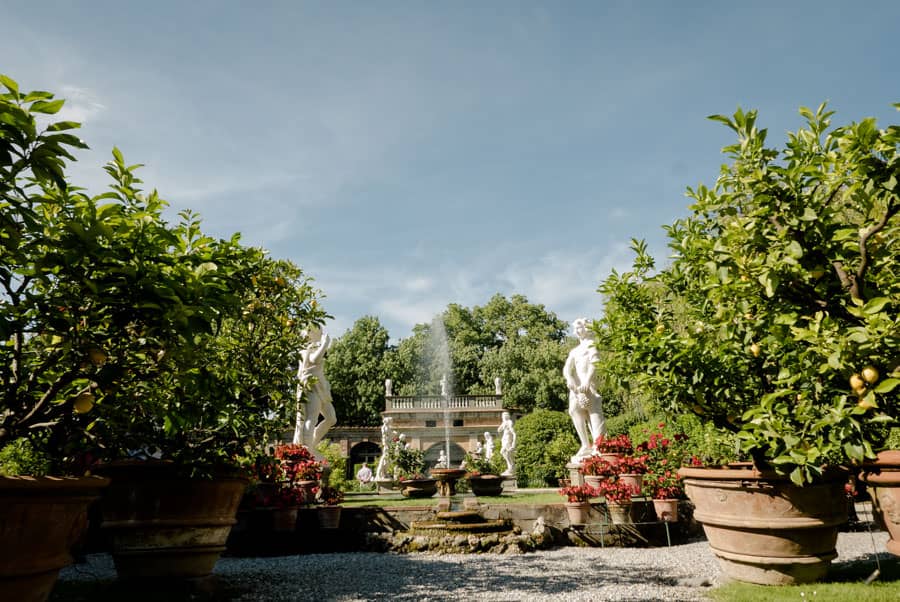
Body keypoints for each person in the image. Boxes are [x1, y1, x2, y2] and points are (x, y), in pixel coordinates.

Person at [564, 318, 606, 463]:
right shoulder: (574, 351)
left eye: (579, 327)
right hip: (576, 389)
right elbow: (566, 368)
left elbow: (595, 364)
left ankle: (599, 446)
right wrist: (569, 378)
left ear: (586, 328)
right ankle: (585, 445)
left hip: (589, 386)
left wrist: (587, 381)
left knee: (594, 414)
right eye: (575, 328)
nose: (576, 331)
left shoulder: (591, 345)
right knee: (574, 411)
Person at [293, 325, 335, 449]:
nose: (321, 334)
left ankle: (311, 443)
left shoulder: (314, 347)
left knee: (331, 418)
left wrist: (322, 346)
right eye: (318, 331)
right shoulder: (305, 348)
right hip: (311, 385)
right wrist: (325, 344)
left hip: (320, 387)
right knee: (311, 417)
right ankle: (306, 446)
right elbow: (314, 359)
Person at [498, 412, 516, 476]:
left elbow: (514, 433)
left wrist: (513, 443)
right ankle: (510, 467)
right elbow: (499, 430)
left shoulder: (509, 422)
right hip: (504, 439)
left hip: (508, 439)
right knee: (504, 453)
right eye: (503, 416)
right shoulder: (504, 423)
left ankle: (511, 467)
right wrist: (502, 424)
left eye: (504, 416)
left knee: (505, 453)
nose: (503, 417)